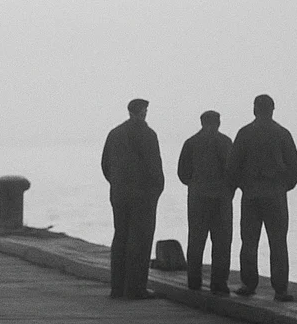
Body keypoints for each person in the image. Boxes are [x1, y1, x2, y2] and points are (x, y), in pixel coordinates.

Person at [227, 93, 297, 302]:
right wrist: (283, 187)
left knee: (249, 241)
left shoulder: (244, 133)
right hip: (275, 196)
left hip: (251, 196)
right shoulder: (282, 134)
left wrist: (243, 186)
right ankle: (280, 289)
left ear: (254, 109)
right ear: (272, 110)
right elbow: (295, 167)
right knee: (278, 242)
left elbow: (232, 167)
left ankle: (248, 283)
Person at [100, 98, 165, 299]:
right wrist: (157, 189)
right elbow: (154, 167)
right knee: (140, 240)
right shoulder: (148, 135)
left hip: (119, 194)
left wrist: (116, 183)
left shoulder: (115, 133)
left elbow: (105, 165)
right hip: (143, 195)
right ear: (143, 112)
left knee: (121, 237)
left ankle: (117, 287)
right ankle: (136, 288)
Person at [177, 110, 235, 295]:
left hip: (198, 198)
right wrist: (228, 191)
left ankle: (193, 280)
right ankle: (219, 283)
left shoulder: (191, 143)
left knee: (196, 240)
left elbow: (182, 173)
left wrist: (195, 184)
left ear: (201, 122)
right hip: (221, 200)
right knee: (222, 242)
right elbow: (233, 171)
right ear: (218, 123)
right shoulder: (225, 142)